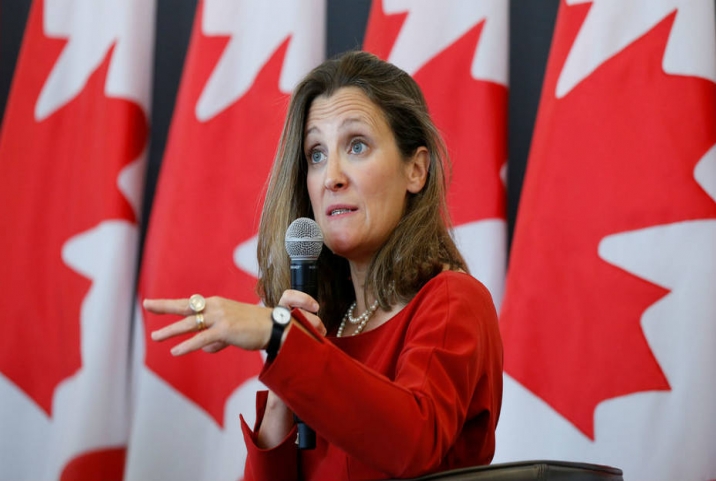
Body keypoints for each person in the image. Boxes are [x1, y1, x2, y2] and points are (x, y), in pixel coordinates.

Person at [145, 50, 503, 481]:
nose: (331, 176)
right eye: (316, 154)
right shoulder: (323, 327)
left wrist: (279, 335)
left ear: (416, 170)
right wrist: (283, 386)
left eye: (357, 146)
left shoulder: (451, 301)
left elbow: (412, 443)